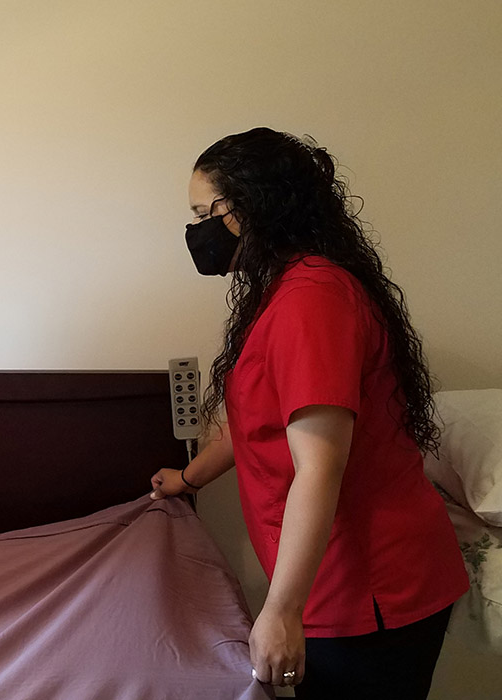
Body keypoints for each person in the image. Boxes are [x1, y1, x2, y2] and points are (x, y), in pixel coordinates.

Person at [150, 127, 468, 699]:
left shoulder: (311, 300)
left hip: (371, 588)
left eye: (204, 212)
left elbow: (319, 466)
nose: (197, 230)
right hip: (338, 581)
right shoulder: (285, 289)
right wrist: (188, 477)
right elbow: (255, 419)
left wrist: (280, 611)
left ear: (249, 206)